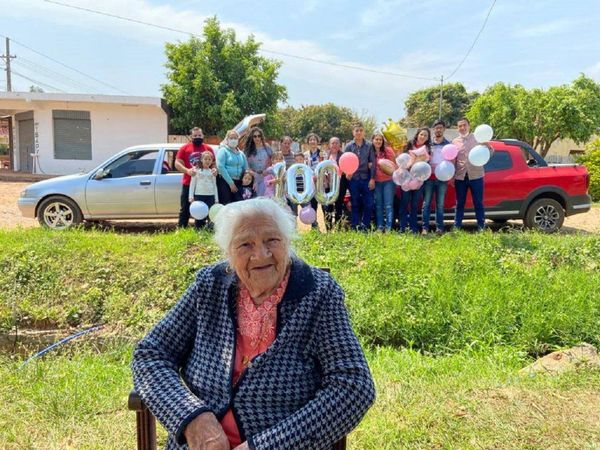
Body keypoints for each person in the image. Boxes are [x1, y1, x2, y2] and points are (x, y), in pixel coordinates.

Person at [132, 198, 375, 450]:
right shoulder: (209, 286)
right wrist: (193, 419)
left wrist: (266, 445)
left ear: (288, 242)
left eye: (272, 240)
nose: (260, 254)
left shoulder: (318, 293)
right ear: (228, 252)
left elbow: (354, 386)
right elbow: (152, 353)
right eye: (245, 244)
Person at [175, 127, 216, 228]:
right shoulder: (184, 148)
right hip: (188, 183)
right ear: (191, 137)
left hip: (204, 187)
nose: (197, 137)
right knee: (185, 207)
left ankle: (201, 229)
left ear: (203, 136)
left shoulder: (208, 149)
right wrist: (187, 171)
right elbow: (177, 163)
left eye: (199, 135)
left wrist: (215, 170)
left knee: (202, 208)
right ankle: (181, 229)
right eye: (195, 136)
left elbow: (214, 164)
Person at [453, 118, 486, 231]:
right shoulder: (455, 142)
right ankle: (457, 227)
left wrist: (489, 147)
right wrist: (452, 177)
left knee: (478, 203)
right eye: (460, 126)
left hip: (476, 176)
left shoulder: (478, 138)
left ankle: (481, 227)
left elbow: (489, 153)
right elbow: (453, 160)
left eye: (464, 125)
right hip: (460, 177)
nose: (462, 128)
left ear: (469, 126)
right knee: (459, 203)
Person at [344, 123, 375, 231]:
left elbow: (372, 162)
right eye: (356, 130)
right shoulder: (348, 146)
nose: (359, 132)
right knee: (355, 203)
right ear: (353, 132)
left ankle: (365, 226)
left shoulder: (369, 145)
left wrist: (372, 179)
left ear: (363, 132)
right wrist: (347, 172)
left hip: (366, 178)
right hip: (353, 179)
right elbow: (344, 160)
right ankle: (355, 226)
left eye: (361, 130)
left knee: (369, 203)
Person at [398, 128, 430, 233]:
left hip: (418, 182)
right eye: (421, 134)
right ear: (417, 135)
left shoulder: (427, 150)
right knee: (404, 203)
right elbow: (402, 161)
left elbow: (426, 166)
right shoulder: (408, 146)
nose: (423, 137)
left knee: (415, 205)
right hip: (406, 180)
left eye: (425, 136)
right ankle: (402, 227)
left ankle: (413, 228)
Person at [422, 119, 451, 235]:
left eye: (440, 128)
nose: (438, 130)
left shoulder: (448, 145)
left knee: (440, 204)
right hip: (428, 178)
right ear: (433, 129)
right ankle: (425, 228)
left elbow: (451, 161)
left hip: (442, 179)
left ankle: (440, 228)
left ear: (444, 129)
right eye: (436, 128)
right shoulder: (428, 144)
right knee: (426, 204)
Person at [372, 132, 396, 232]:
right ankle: (380, 226)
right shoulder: (370, 152)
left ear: (383, 141)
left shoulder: (388, 151)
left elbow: (394, 166)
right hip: (376, 182)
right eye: (376, 139)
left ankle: (389, 227)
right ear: (372, 140)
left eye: (380, 140)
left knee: (388, 205)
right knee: (378, 205)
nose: (378, 141)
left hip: (388, 182)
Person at [189, 151, 219, 229]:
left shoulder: (212, 172)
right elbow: (192, 184)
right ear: (201, 160)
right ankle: (198, 229)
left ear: (212, 161)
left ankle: (210, 229)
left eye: (209, 159)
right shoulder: (196, 171)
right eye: (205, 159)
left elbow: (214, 185)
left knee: (210, 214)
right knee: (199, 213)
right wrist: (191, 196)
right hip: (199, 195)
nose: (207, 161)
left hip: (210, 196)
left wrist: (216, 199)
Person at [216, 130, 247, 205]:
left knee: (237, 204)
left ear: (238, 139)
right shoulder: (223, 151)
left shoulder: (241, 153)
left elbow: (245, 167)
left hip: (238, 181)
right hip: (225, 181)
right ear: (227, 139)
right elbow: (220, 167)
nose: (233, 140)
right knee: (226, 203)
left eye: (235, 138)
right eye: (231, 138)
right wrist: (231, 183)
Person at [323, 137, 348, 231]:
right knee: (328, 206)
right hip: (328, 185)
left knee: (338, 205)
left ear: (340, 145)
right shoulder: (326, 155)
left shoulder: (343, 156)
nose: (334, 145)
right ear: (329, 145)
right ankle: (328, 228)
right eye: (332, 143)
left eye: (336, 143)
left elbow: (347, 170)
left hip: (340, 185)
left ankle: (338, 228)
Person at [244, 127, 272, 197]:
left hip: (266, 178)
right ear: (252, 138)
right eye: (255, 136)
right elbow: (246, 165)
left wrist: (268, 170)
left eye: (259, 136)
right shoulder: (248, 150)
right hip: (253, 179)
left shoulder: (267, 147)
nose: (257, 138)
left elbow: (273, 160)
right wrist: (253, 174)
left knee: (264, 200)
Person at [304, 133, 321, 230]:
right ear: (308, 142)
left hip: (321, 183)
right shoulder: (305, 154)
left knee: (324, 206)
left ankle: (328, 227)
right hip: (310, 184)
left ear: (317, 142)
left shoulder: (323, 153)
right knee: (312, 205)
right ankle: (314, 227)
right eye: (310, 140)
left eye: (314, 139)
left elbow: (325, 167)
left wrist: (319, 176)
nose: (312, 141)